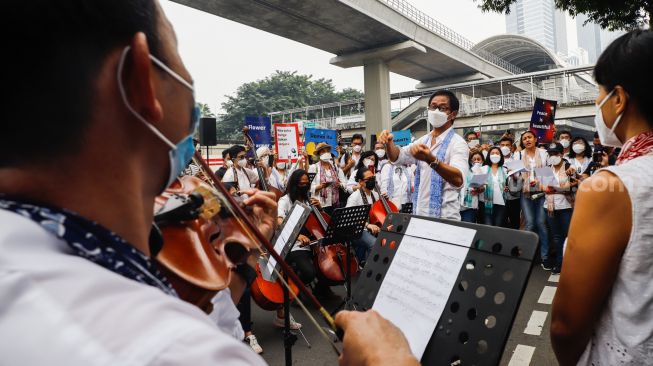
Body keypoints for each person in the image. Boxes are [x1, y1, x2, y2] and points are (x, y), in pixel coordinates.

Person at [0, 2, 420, 365]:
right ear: (141, 80)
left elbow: (202, 308)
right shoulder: (167, 350)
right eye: (179, 58)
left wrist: (244, 254)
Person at [551, 29, 653, 366]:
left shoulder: (610, 186)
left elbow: (566, 326)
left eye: (599, 93)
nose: (598, 104)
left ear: (619, 99)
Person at [379, 90, 468, 220]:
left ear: (453, 114)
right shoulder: (423, 140)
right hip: (420, 213)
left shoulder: (458, 143)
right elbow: (398, 157)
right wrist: (388, 143)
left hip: (445, 217)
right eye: (433, 106)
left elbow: (458, 180)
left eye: (442, 108)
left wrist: (431, 159)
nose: (436, 111)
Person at [514, 130, 550, 268]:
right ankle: (527, 257)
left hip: (542, 193)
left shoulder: (543, 153)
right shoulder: (518, 154)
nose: (527, 140)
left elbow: (548, 172)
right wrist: (520, 178)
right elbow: (515, 174)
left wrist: (539, 181)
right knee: (530, 224)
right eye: (524, 139)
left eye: (530, 137)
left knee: (541, 223)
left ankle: (545, 257)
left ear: (535, 139)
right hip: (526, 193)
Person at [540, 143, 576, 274]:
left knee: (568, 236)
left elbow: (573, 186)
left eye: (555, 154)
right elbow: (543, 187)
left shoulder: (569, 168)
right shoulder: (545, 169)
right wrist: (548, 188)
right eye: (550, 154)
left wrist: (556, 188)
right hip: (549, 207)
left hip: (565, 207)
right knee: (556, 237)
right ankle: (559, 263)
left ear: (561, 154)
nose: (553, 156)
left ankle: (570, 263)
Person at [346, 167, 382, 263]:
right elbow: (348, 217)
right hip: (357, 230)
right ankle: (368, 268)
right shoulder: (354, 197)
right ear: (360, 182)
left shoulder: (376, 195)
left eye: (373, 178)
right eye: (369, 179)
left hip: (373, 226)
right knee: (374, 244)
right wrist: (367, 225)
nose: (372, 181)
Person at [308, 142, 346, 215]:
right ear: (319, 154)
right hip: (320, 204)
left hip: (335, 203)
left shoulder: (335, 167)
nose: (326, 153)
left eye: (327, 151)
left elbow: (344, 184)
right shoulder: (314, 167)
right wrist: (320, 186)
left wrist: (340, 185)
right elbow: (309, 188)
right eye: (323, 151)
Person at [480, 147, 508, 227]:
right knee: (488, 226)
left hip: (500, 203)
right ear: (488, 156)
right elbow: (477, 184)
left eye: (497, 153)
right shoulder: (483, 169)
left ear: (501, 156)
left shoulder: (505, 170)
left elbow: (507, 186)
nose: (495, 155)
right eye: (492, 153)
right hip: (486, 203)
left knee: (497, 226)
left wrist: (506, 189)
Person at [459, 152, 485, 223]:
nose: (476, 161)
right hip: (457, 205)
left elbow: (482, 188)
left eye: (478, 159)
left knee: (468, 229)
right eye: (474, 159)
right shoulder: (462, 169)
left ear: (482, 161)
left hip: (470, 206)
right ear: (470, 161)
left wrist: (478, 189)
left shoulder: (481, 171)